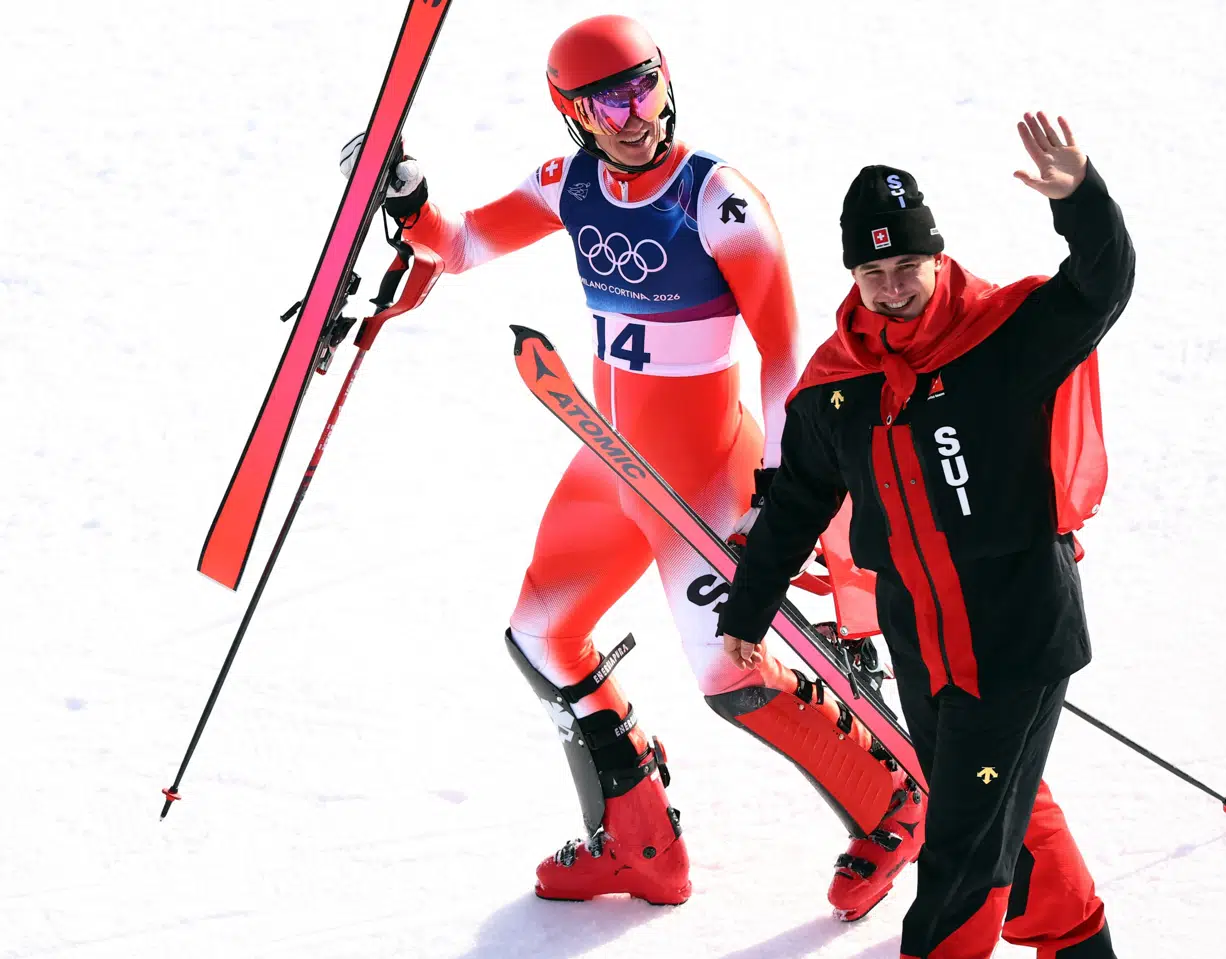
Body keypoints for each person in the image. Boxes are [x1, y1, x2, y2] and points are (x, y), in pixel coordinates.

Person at [341, 15, 923, 915]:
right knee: (541, 634)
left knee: (729, 671)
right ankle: (640, 843)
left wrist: (778, 485)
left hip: (702, 480)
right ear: (570, 113)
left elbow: (783, 357)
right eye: (606, 102)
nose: (632, 115)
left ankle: (892, 800)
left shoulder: (718, 201)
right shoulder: (568, 184)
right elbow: (457, 246)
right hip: (611, 464)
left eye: (644, 88)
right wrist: (411, 203)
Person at [718, 112, 1134, 958]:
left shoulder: (1002, 336)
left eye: (909, 263)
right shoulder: (840, 387)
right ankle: (1079, 942)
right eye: (874, 271)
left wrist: (1081, 198)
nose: (894, 285)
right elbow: (798, 500)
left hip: (1015, 635)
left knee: (959, 850)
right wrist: (746, 612)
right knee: (1000, 809)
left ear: (936, 257)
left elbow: (1101, 285)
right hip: (926, 641)